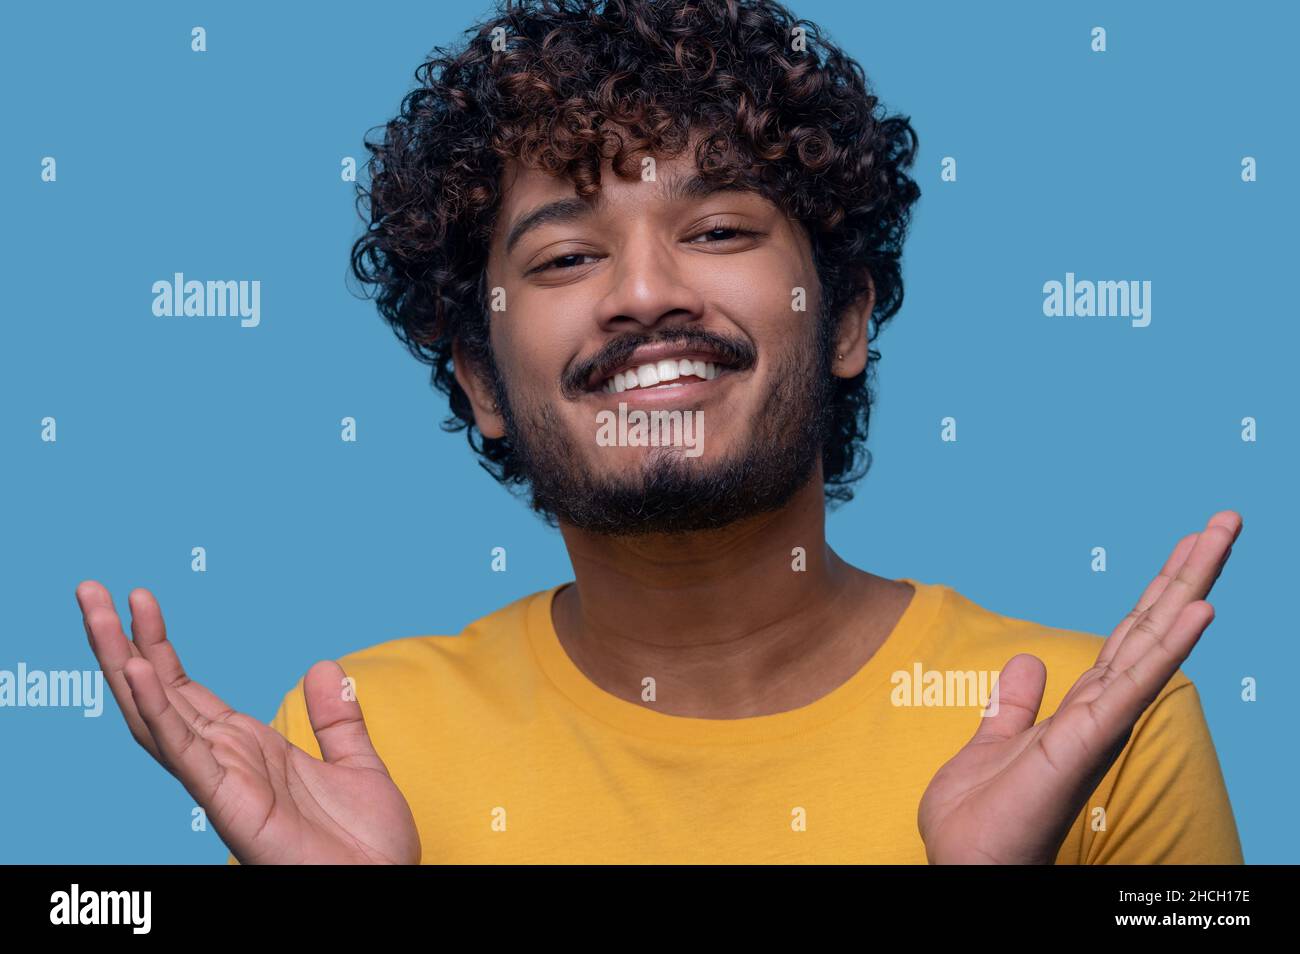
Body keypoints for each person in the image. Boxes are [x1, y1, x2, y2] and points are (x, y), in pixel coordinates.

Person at [75, 0, 1243, 864]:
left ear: (842, 316)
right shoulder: (349, 747)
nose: (643, 294)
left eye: (721, 230)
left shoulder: (1099, 724)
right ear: (480, 377)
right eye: (567, 256)